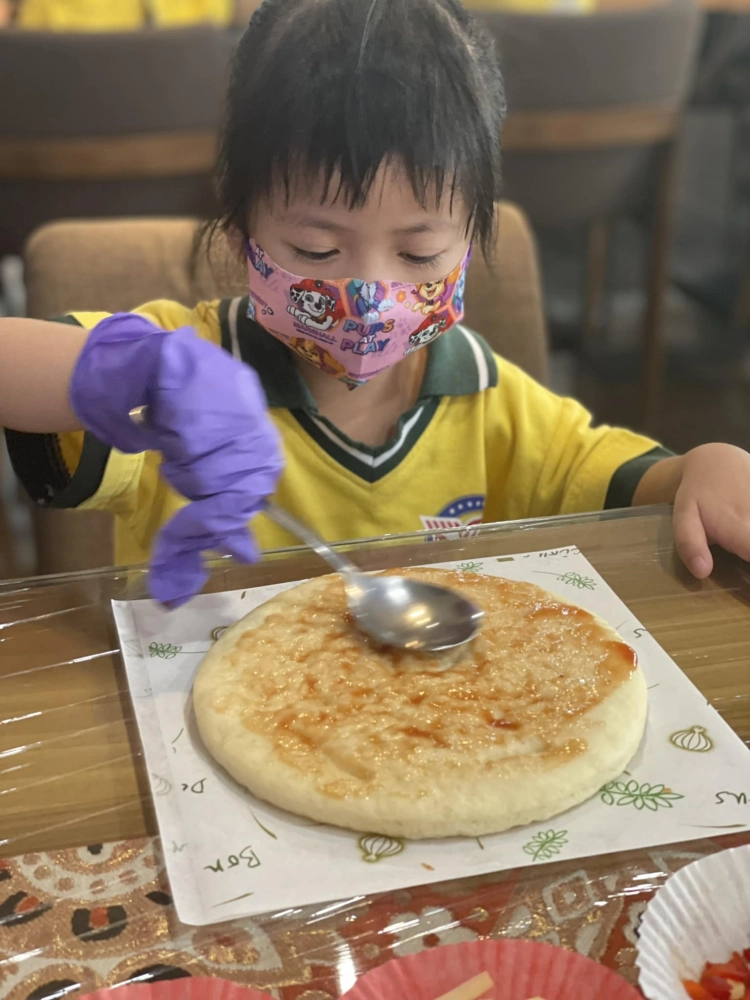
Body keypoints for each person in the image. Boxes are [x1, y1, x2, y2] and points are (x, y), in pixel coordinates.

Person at [2, 0, 750, 608]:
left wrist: (704, 467)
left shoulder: (495, 405)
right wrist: (130, 372)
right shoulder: (184, 367)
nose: (369, 296)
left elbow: (640, 489)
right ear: (240, 238)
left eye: (420, 255)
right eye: (317, 253)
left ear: (470, 244)